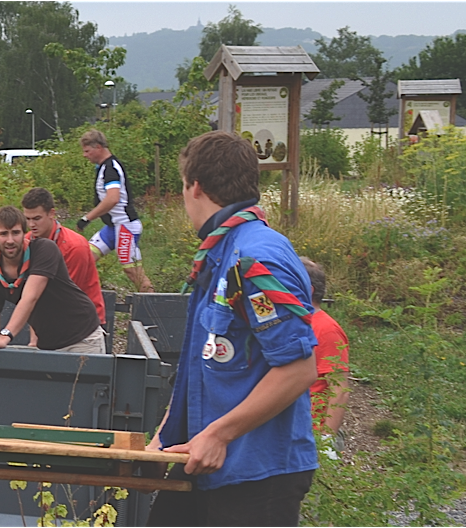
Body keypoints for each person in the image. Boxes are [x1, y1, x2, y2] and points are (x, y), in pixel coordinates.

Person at [144, 131, 319, 527]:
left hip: (256, 473)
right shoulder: (220, 254)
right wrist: (161, 441)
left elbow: (297, 369)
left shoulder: (257, 259)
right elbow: (201, 364)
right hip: (204, 462)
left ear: (196, 187)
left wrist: (220, 435)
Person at [0, 206, 105, 360]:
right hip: (47, 345)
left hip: (82, 338)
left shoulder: (44, 250)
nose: (10, 240)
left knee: (80, 385)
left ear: (24, 234)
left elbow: (30, 297)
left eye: (15, 233)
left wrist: (5, 336)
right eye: (3, 234)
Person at [76, 130, 155, 292]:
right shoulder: (103, 167)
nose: (85, 155)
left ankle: (153, 309)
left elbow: (113, 198)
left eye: (87, 151)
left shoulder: (110, 168)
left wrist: (87, 218)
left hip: (125, 226)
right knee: (84, 259)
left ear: (98, 147)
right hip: (113, 228)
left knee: (133, 271)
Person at [20, 187, 107, 326]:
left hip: (85, 322)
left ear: (51, 214)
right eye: (27, 219)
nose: (31, 225)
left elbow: (66, 295)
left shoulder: (74, 247)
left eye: (37, 218)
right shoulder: (26, 241)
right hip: (48, 316)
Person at [302, 257, 350, 451]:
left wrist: (327, 440)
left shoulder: (326, 329)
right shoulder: (292, 323)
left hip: (312, 432)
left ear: (308, 290)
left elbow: (339, 388)